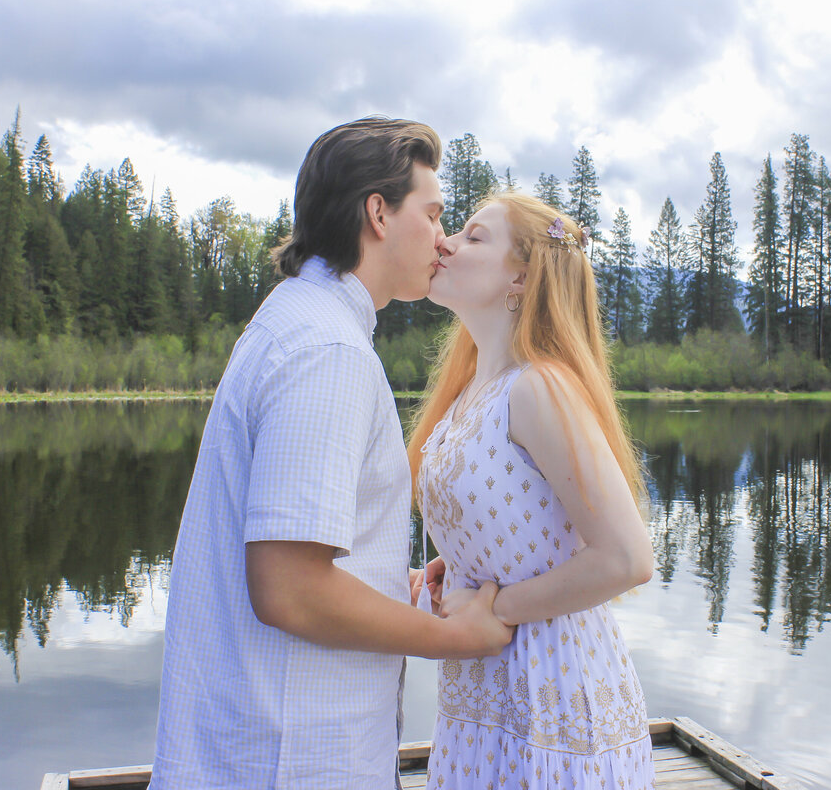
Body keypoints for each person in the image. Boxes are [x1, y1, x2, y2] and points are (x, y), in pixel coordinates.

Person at [150, 117, 513, 790]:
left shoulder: (295, 319)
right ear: (378, 212)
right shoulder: (329, 353)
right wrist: (455, 639)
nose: (442, 237)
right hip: (288, 761)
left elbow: (294, 559)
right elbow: (289, 589)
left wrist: (385, 584)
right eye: (432, 214)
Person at [407, 193, 656, 788]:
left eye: (473, 236)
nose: (445, 243)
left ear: (520, 275)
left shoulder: (540, 387)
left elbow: (627, 559)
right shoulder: (473, 391)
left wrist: (493, 607)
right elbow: (522, 519)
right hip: (484, 692)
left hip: (554, 691)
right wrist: (458, 564)